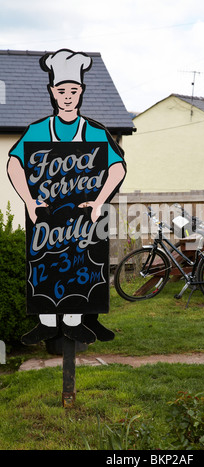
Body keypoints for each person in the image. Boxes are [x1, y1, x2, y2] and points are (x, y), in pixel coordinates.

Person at [7, 49, 126, 345]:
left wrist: (99, 202)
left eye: (73, 90)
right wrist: (29, 201)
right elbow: (14, 163)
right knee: (45, 263)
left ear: (81, 91)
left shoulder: (95, 132)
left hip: (85, 219)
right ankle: (46, 324)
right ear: (53, 92)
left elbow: (118, 167)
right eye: (62, 90)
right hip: (46, 218)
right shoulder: (37, 131)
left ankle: (77, 321)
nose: (68, 96)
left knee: (82, 264)